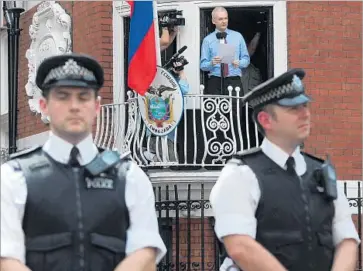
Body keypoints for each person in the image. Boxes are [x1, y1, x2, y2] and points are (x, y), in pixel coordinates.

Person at [0, 53, 167, 271]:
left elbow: (145, 251)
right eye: (62, 96)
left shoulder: (130, 176)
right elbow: (6, 258)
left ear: (97, 106)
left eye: (83, 97)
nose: (74, 106)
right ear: (44, 105)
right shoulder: (13, 177)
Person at [210, 68, 360, 271]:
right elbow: (239, 246)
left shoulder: (322, 174)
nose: (305, 114)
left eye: (305, 105)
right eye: (293, 109)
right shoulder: (240, 174)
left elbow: (347, 240)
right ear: (266, 120)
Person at [145, 61, 190, 163]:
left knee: (160, 163)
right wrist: (181, 73)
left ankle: (147, 155)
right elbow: (183, 89)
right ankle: (147, 154)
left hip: (154, 132)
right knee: (171, 164)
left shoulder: (149, 86)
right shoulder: (163, 88)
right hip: (164, 133)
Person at [200, 6, 250, 95]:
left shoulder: (238, 36)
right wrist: (212, 63)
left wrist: (239, 62)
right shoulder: (208, 40)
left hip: (234, 79)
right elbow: (203, 66)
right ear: (213, 21)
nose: (224, 21)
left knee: (236, 109)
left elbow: (246, 60)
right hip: (215, 80)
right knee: (215, 108)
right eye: (220, 19)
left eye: (226, 18)